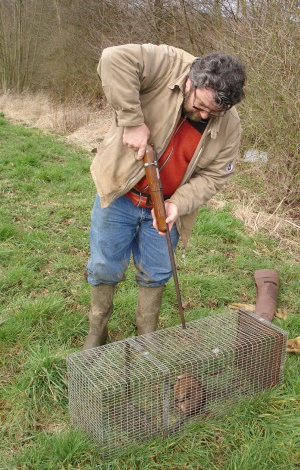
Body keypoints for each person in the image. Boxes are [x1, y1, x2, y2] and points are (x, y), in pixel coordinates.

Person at [83, 43, 246, 350]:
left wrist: (178, 204)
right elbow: (112, 58)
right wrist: (131, 120)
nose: (203, 115)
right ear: (192, 81)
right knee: (105, 264)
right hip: (121, 191)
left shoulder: (229, 125)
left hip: (165, 208)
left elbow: (215, 176)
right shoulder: (168, 63)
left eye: (214, 112)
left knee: (157, 272)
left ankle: (146, 338)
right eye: (200, 105)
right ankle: (97, 331)